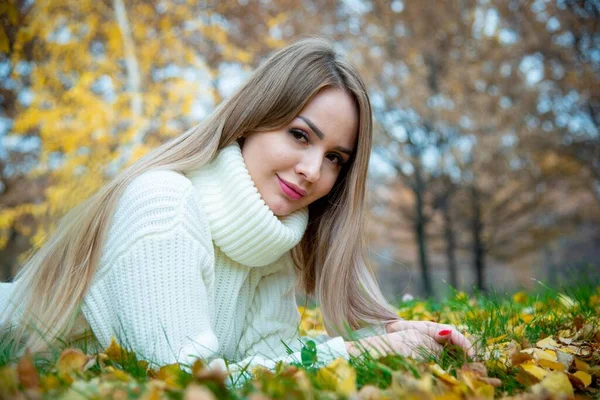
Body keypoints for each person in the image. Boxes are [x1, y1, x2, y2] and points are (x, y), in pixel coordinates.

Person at [0, 38, 474, 381]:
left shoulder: (275, 239)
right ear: (251, 120)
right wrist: (363, 351)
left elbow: (271, 361)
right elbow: (183, 379)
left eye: (335, 158)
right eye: (300, 134)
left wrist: (394, 345)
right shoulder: (163, 202)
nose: (313, 170)